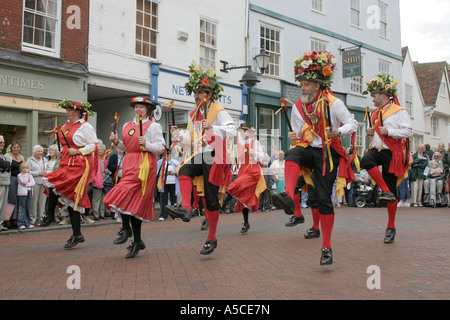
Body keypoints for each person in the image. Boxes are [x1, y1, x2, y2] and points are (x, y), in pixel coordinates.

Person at [273, 50, 358, 265]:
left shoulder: (333, 103)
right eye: (301, 84)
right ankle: (289, 196)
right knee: (292, 152)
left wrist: (338, 132)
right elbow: (299, 134)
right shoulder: (298, 106)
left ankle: (327, 247)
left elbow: (353, 123)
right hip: (309, 149)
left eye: (306, 84)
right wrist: (294, 136)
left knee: (323, 199)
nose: (302, 87)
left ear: (317, 85)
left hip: (327, 153)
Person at [165, 62, 236, 255]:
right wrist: (178, 136)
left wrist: (214, 128)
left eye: (200, 92)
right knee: (183, 170)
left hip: (216, 154)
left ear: (209, 94)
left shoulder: (218, 110)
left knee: (211, 200)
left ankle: (211, 238)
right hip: (201, 154)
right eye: (195, 92)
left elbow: (232, 130)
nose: (196, 96)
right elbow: (191, 138)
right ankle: (187, 209)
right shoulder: (194, 114)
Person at [104, 96, 165, 258]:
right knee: (130, 203)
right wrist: (117, 142)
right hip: (129, 162)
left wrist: (147, 144)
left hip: (144, 165)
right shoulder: (126, 125)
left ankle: (126, 229)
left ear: (148, 110)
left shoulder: (154, 126)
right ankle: (136, 240)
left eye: (141, 107)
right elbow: (127, 147)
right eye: (136, 107)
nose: (138, 110)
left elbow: (160, 148)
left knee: (124, 195)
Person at [361, 74, 413, 244]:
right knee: (366, 160)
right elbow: (377, 133)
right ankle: (386, 190)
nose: (373, 98)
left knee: (393, 189)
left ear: (383, 95)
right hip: (377, 150)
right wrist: (371, 133)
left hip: (392, 152)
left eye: (374, 95)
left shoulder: (399, 111)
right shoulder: (375, 112)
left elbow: (408, 132)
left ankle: (391, 227)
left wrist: (389, 132)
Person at [42, 99, 98, 249]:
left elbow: (94, 145)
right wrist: (62, 152)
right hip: (66, 162)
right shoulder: (66, 126)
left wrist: (79, 150)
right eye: (67, 109)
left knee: (57, 185)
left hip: (80, 164)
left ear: (78, 112)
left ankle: (49, 216)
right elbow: (67, 145)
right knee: (68, 196)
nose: (68, 112)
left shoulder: (85, 126)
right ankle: (77, 234)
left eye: (71, 110)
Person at [226, 123, 265, 234]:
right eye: (241, 131)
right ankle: (246, 223)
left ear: (250, 132)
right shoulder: (238, 145)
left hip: (253, 171)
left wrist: (255, 153)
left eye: (245, 131)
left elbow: (262, 158)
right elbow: (235, 159)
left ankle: (222, 204)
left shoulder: (255, 143)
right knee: (243, 199)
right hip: (242, 171)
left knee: (234, 185)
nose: (242, 133)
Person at [4, 141, 25, 228]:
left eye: (18, 147)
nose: (16, 149)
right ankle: (7, 219)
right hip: (11, 179)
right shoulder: (7, 156)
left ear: (20, 148)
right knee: (11, 199)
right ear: (11, 148)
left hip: (20, 180)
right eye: (14, 147)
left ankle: (15, 218)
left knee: (18, 200)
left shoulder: (22, 157)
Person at [27, 145, 49, 225]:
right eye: (38, 151)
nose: (40, 153)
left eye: (41, 151)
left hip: (43, 183)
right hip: (34, 183)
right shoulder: (30, 160)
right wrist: (37, 173)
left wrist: (46, 173)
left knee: (42, 202)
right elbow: (27, 171)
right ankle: (32, 219)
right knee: (33, 201)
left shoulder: (45, 160)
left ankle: (41, 219)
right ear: (34, 152)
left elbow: (49, 169)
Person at [40, 144, 61, 227]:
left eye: (52, 150)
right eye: (49, 150)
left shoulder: (59, 160)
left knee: (55, 198)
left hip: (55, 181)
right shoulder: (46, 160)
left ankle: (55, 215)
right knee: (47, 199)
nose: (50, 152)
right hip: (47, 181)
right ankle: (47, 215)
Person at [156, 148, 180, 221]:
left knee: (174, 200)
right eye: (166, 154)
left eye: (168, 154)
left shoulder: (175, 162)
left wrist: (175, 172)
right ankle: (163, 215)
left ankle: (174, 215)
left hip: (173, 183)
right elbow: (157, 172)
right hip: (163, 184)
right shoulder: (160, 162)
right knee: (163, 200)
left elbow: (179, 170)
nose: (167, 156)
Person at [90, 141, 107, 220]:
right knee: (96, 198)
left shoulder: (104, 159)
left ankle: (101, 213)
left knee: (103, 198)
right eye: (99, 149)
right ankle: (96, 214)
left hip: (104, 180)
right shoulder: (94, 159)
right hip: (97, 180)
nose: (100, 151)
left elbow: (106, 169)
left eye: (102, 149)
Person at [16, 162, 35, 230]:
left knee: (27, 207)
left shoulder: (30, 175)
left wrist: (27, 184)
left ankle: (27, 222)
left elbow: (33, 183)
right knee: (21, 208)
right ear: (20, 169)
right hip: (22, 193)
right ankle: (20, 223)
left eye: (26, 168)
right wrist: (27, 181)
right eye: (23, 168)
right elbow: (23, 182)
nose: (25, 169)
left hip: (29, 192)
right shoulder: (20, 175)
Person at [0, 135, 11, 231]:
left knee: (3, 204)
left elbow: (7, 166)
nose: (2, 144)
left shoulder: (2, 155)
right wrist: (5, 165)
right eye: (0, 142)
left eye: (3, 142)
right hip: (1, 182)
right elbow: (4, 164)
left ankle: (0, 223)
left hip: (5, 181)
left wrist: (5, 165)